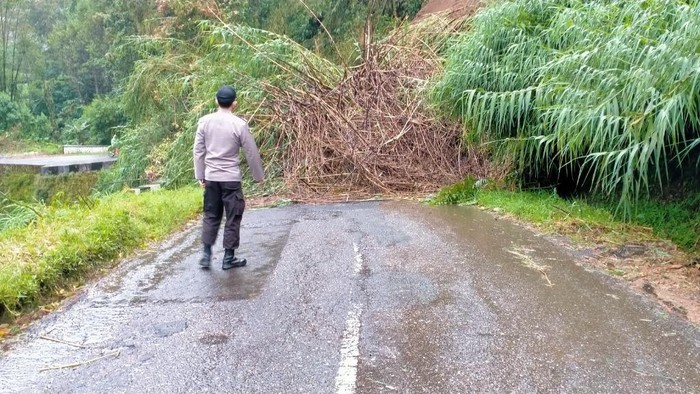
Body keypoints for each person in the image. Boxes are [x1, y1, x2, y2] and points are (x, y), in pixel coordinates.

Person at [193, 85, 264, 270]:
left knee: (211, 214)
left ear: (216, 101)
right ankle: (228, 258)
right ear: (234, 103)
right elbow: (251, 152)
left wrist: (200, 175)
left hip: (211, 178)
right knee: (233, 216)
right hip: (231, 178)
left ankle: (206, 255)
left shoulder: (204, 122)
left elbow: (198, 151)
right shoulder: (239, 124)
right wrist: (258, 176)